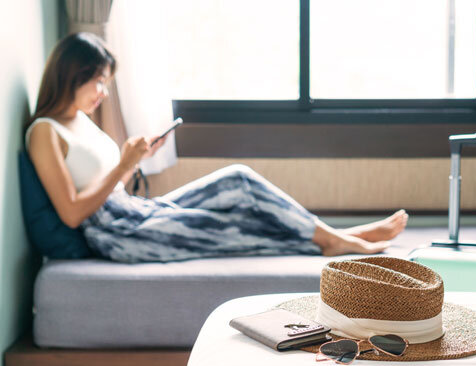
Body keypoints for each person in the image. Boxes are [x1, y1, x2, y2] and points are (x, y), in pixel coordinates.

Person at [25, 32, 409, 263]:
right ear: (72, 74)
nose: (102, 92)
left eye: (106, 82)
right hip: (119, 234)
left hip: (135, 211)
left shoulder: (81, 121)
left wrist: (134, 162)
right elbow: (74, 214)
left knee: (238, 181)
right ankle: (336, 240)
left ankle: (333, 235)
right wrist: (122, 163)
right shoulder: (45, 131)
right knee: (233, 224)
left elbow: (112, 187)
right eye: (97, 82)